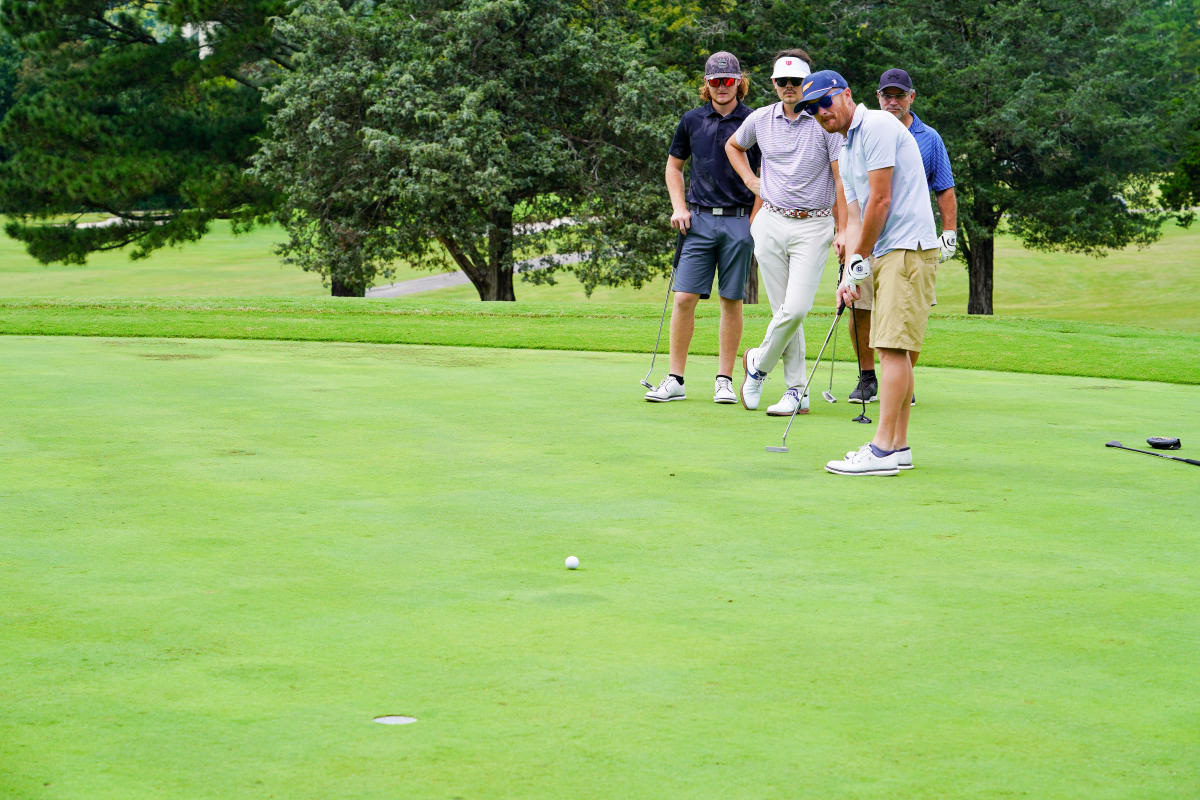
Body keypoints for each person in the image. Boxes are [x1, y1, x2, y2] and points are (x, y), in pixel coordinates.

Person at [801, 70, 939, 476]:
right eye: (811, 109)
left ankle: (881, 451)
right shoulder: (846, 148)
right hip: (885, 252)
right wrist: (851, 271)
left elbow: (881, 200)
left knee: (891, 348)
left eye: (824, 102)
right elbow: (857, 213)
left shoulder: (877, 124)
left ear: (845, 95)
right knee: (891, 346)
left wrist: (861, 256)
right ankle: (898, 447)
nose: (819, 112)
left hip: (906, 249)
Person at [724, 49, 846, 417]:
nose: (789, 87)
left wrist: (844, 229)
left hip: (814, 224)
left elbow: (841, 181)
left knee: (795, 309)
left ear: (806, 84)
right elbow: (733, 145)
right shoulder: (761, 119)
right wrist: (750, 181)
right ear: (774, 84)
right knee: (783, 311)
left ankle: (758, 363)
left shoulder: (824, 122)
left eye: (796, 82)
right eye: (783, 81)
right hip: (771, 222)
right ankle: (797, 391)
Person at [645, 51, 762, 404]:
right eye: (715, 82)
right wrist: (678, 207)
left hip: (740, 218)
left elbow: (767, 176)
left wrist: (754, 221)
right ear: (706, 84)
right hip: (697, 220)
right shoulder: (692, 120)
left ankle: (724, 379)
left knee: (732, 300)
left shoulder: (755, 122)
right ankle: (676, 379)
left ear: (738, 82)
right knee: (683, 298)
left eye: (728, 81)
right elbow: (673, 167)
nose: (722, 87)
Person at [844, 68, 958, 406]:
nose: (893, 101)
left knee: (908, 314)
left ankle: (901, 380)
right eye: (886, 95)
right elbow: (850, 191)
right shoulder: (861, 135)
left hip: (909, 238)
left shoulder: (929, 137)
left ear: (912, 97)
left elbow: (945, 187)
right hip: (869, 238)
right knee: (861, 308)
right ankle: (867, 378)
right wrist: (847, 239)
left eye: (899, 95)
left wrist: (949, 231)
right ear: (878, 97)